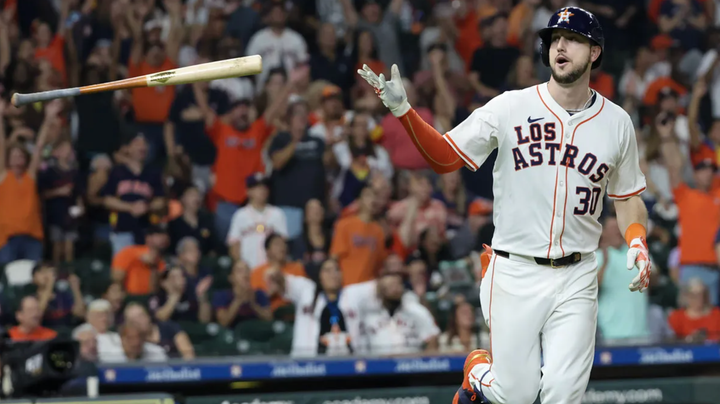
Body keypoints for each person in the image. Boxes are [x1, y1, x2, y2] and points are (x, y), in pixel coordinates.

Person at [358, 7, 651, 404]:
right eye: (554, 40)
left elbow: (628, 195)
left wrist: (636, 239)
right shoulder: (510, 107)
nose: (560, 46)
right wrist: (403, 112)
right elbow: (445, 158)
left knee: (564, 395)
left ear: (595, 52)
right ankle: (478, 369)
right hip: (515, 270)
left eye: (573, 40)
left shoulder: (617, 122)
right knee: (515, 394)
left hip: (578, 273)